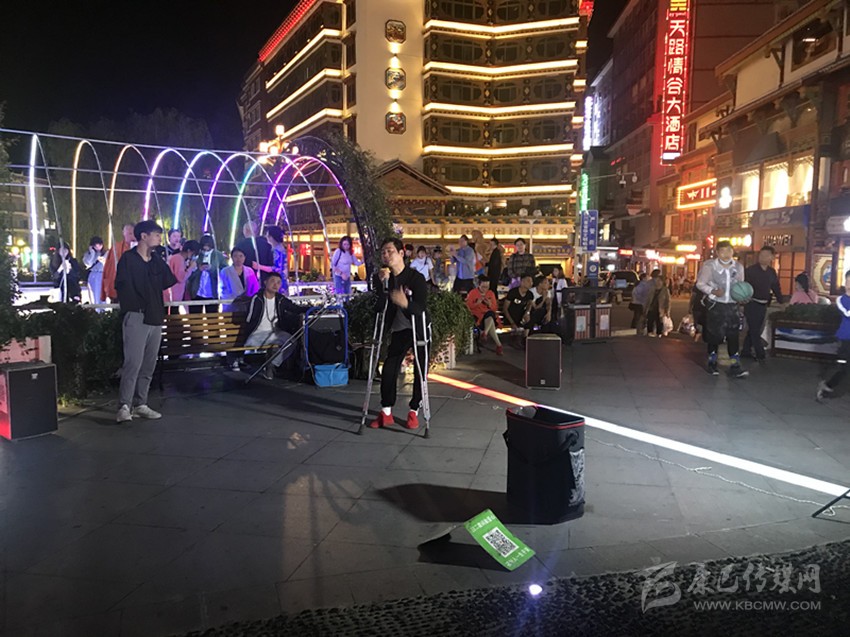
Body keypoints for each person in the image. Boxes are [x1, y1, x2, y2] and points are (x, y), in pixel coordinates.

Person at [115, 220, 177, 423]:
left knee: (149, 364)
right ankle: (124, 406)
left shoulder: (155, 260)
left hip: (155, 315)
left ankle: (140, 403)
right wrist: (134, 307)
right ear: (144, 236)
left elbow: (168, 280)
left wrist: (157, 259)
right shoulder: (128, 259)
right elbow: (122, 286)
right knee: (133, 363)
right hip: (137, 315)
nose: (159, 239)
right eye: (156, 235)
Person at [369, 237, 429, 430]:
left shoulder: (415, 278)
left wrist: (406, 304)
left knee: (420, 369)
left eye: (390, 251)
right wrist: (383, 286)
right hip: (399, 329)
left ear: (401, 253)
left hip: (418, 328)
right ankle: (386, 411)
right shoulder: (382, 277)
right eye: (383, 252)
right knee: (389, 368)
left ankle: (414, 410)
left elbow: (420, 308)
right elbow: (379, 307)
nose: (386, 255)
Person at [696, 240, 748, 378]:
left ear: (733, 251)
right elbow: (700, 284)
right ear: (717, 253)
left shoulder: (738, 267)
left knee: (733, 336)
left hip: (732, 305)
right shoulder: (710, 266)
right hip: (716, 304)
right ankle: (712, 362)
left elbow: (740, 285)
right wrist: (712, 291)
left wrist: (742, 297)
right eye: (723, 251)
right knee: (714, 335)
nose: (726, 254)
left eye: (729, 250)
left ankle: (735, 365)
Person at [243, 271, 308, 380]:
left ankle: (271, 364)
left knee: (292, 342)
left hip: (275, 333)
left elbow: (295, 308)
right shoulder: (257, 298)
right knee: (277, 343)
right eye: (272, 281)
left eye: (278, 282)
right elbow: (248, 319)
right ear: (265, 282)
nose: (275, 285)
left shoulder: (280, 299)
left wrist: (311, 309)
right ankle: (270, 366)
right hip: (257, 334)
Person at [743, 245, 785, 363]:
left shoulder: (771, 272)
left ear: (772, 257)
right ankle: (760, 353)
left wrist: (781, 301)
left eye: (766, 255)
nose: (763, 257)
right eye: (761, 255)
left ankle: (745, 351)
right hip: (751, 303)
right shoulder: (750, 271)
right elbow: (744, 286)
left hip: (763, 304)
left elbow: (776, 287)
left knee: (754, 329)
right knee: (755, 330)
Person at [817, 270, 850, 401]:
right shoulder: (841, 299)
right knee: (843, 367)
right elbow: (847, 313)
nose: (849, 285)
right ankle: (827, 386)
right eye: (848, 281)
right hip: (845, 338)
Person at [186, 235, 226, 314]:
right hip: (196, 291)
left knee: (212, 317)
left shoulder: (218, 255)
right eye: (204, 246)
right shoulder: (196, 255)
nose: (206, 248)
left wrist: (212, 269)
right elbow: (189, 274)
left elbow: (224, 272)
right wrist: (198, 269)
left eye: (208, 246)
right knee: (195, 317)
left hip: (212, 292)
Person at [466, 277, 503, 355]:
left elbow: (494, 308)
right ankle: (498, 345)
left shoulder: (490, 293)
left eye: (487, 287)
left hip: (488, 316)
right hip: (477, 318)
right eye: (483, 287)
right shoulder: (473, 293)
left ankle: (485, 333)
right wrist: (477, 303)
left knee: (490, 314)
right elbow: (468, 306)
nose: (485, 289)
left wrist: (489, 304)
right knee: (491, 321)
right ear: (479, 285)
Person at [219, 247, 260, 311]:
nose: (238, 259)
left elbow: (255, 287)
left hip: (247, 303)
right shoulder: (225, 271)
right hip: (231, 303)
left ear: (244, 257)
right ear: (232, 257)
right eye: (235, 256)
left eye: (241, 256)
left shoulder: (249, 271)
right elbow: (222, 289)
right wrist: (233, 299)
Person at [102, 223, 135, 302]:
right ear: (123, 233)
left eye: (132, 233)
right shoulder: (116, 248)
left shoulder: (142, 248)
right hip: (117, 288)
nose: (130, 236)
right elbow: (108, 269)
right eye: (128, 233)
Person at [164, 239, 199, 313]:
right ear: (189, 251)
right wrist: (191, 267)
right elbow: (181, 278)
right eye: (194, 254)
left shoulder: (178, 258)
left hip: (173, 294)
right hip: (173, 294)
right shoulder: (178, 259)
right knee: (173, 315)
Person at [255, 226, 289, 292]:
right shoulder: (279, 249)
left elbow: (276, 269)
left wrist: (259, 266)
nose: (267, 237)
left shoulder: (277, 251)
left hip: (277, 283)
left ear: (272, 237)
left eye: (268, 236)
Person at [503, 273, 535, 341]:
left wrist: (527, 312)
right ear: (522, 282)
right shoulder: (513, 292)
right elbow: (505, 308)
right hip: (511, 316)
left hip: (522, 317)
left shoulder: (530, 294)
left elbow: (529, 305)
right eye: (528, 281)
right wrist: (512, 322)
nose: (531, 283)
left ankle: (525, 338)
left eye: (531, 281)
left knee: (531, 314)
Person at [82, 236, 106, 307]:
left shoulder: (106, 253)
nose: (98, 247)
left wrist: (104, 262)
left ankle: (103, 309)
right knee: (94, 294)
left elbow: (110, 265)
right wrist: (92, 253)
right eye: (96, 246)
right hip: (93, 274)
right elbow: (88, 264)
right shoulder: (88, 254)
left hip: (103, 274)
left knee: (103, 295)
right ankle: (96, 309)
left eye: (100, 245)